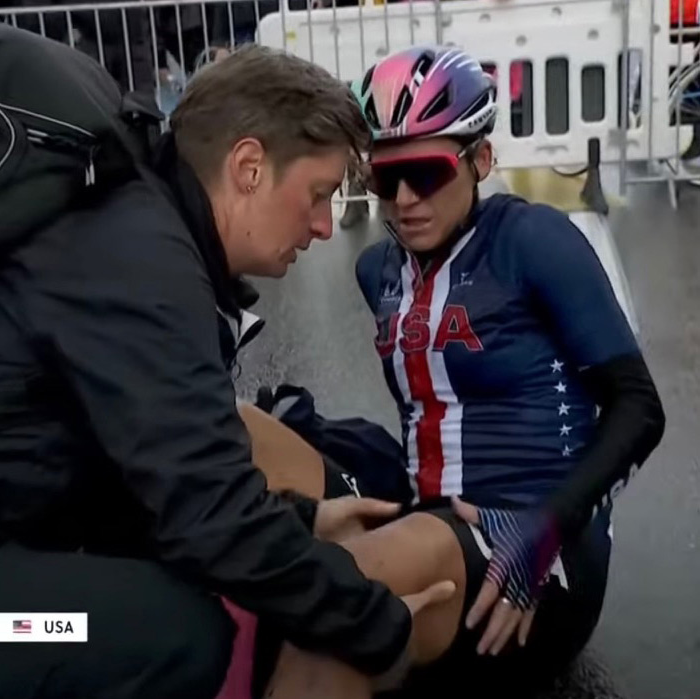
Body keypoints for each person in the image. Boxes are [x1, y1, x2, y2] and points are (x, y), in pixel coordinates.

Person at [0, 45, 456, 699]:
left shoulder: (127, 222)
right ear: (247, 166)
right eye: (318, 193)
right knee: (178, 634)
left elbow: (131, 479)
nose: (326, 226)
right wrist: (378, 623)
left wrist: (301, 518)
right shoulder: (138, 259)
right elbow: (206, 518)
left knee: (180, 594)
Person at [250, 44, 666, 698]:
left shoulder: (534, 241)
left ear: (480, 159)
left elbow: (638, 407)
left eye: (426, 170)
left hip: (534, 547)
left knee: (326, 602)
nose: (405, 200)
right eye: (383, 180)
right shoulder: (377, 270)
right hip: (424, 501)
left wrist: (550, 520)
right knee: (236, 428)